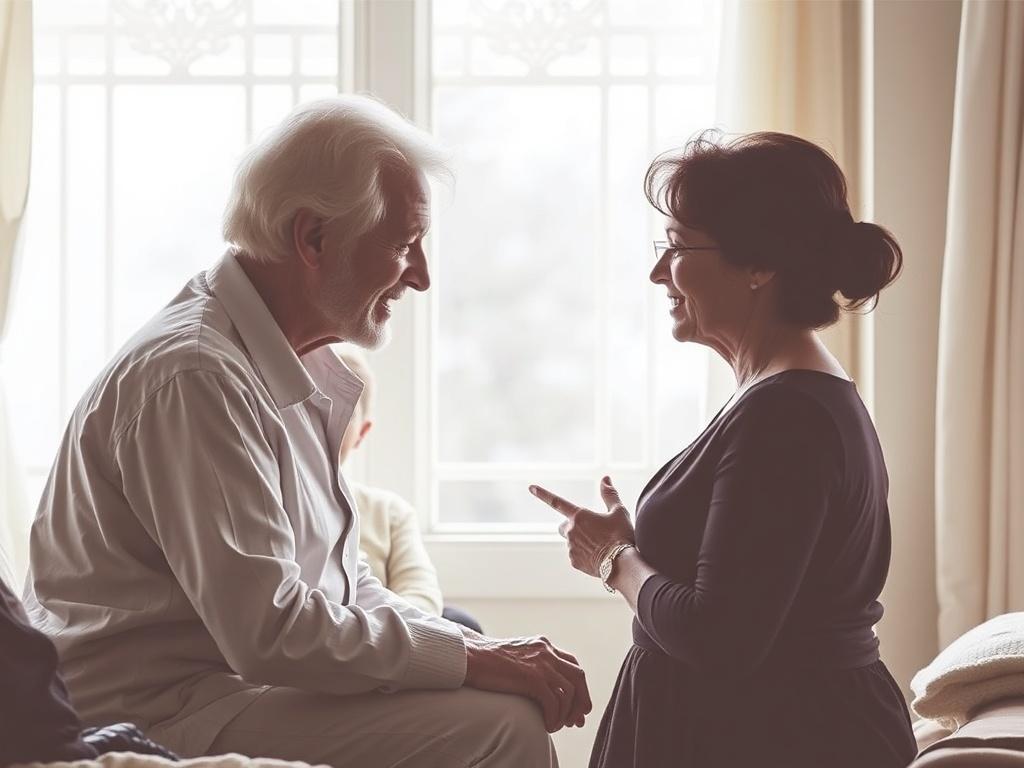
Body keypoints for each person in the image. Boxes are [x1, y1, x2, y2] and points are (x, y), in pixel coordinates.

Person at [23, 95, 589, 767]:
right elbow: (271, 630)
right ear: (313, 239)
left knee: (502, 702)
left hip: (233, 689)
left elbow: (341, 585)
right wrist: (467, 655)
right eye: (405, 246)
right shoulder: (197, 375)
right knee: (504, 727)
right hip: (166, 710)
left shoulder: (287, 360)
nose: (423, 278)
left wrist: (473, 651)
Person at [530, 131, 918, 768]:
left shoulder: (786, 418)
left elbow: (721, 636)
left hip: (775, 740)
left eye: (679, 247)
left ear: (760, 264)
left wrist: (615, 558)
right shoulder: (784, 400)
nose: (659, 272)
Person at [333, 346, 483, 633]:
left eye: (343, 414)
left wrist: (376, 632)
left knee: (461, 624)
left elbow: (421, 594)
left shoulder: (388, 512)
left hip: (383, 639)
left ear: (362, 434)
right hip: (326, 637)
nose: (325, 424)